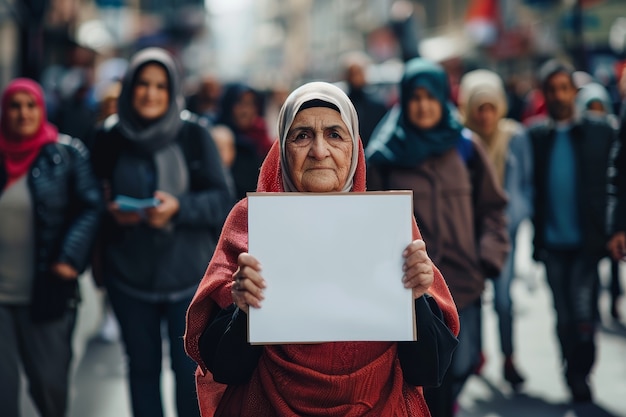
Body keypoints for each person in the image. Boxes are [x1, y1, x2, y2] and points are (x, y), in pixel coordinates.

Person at [184, 81, 460, 416]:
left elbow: (427, 371)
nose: (319, 150)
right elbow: (227, 367)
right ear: (282, 149)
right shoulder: (250, 223)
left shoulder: (388, 228)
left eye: (334, 134)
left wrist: (417, 299)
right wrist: (243, 309)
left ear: (354, 149)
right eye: (301, 136)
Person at [90, 47, 233, 417]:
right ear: (129, 88)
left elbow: (222, 200)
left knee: (187, 372)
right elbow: (91, 200)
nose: (150, 94)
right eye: (142, 84)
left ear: (172, 91)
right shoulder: (109, 137)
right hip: (129, 276)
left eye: (160, 86)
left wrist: (179, 208)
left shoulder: (193, 134)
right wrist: (113, 215)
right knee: (141, 369)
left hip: (186, 279)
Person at [365, 58, 509, 417]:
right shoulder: (385, 155)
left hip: (464, 283)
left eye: (431, 97)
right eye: (415, 97)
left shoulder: (465, 146)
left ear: (444, 98)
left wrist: (488, 256)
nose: (423, 105)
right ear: (404, 100)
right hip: (412, 292)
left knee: (462, 366)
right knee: (423, 377)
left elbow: (492, 208)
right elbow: (368, 222)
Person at [0, 78, 102, 417]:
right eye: (15, 106)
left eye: (30, 105)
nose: (23, 113)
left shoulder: (66, 154)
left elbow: (90, 207)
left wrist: (70, 257)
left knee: (49, 387)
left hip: (46, 292)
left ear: (42, 109)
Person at [527, 59, 616, 403]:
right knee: (563, 315)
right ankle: (570, 369)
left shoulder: (598, 130)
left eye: (565, 88)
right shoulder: (537, 136)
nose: (559, 95)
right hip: (552, 243)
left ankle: (582, 372)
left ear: (573, 92)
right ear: (544, 94)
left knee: (583, 314)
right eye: (552, 89)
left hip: (586, 244)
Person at [458, 69, 534, 389]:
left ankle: (509, 357)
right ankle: (477, 354)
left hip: (504, 233)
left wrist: (516, 215)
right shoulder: (462, 140)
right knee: (472, 298)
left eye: (491, 107)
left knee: (503, 299)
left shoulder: (514, 137)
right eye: (479, 108)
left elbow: (527, 184)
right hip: (467, 232)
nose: (486, 115)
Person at [576, 81, 622, 321]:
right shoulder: (577, 137)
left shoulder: (613, 129)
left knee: (613, 263)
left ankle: (614, 299)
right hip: (591, 212)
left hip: (610, 209)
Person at [215, 83, 273, 200]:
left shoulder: (262, 138)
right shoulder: (218, 137)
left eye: (251, 104)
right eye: (240, 103)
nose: (246, 110)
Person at [341, 52, 388, 147]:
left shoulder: (377, 106)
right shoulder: (340, 105)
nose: (355, 78)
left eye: (358, 73)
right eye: (352, 74)